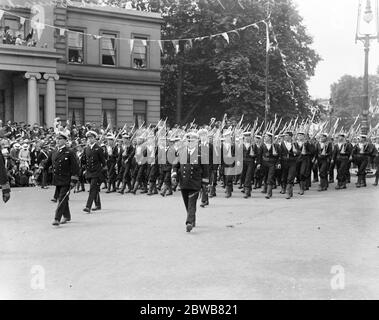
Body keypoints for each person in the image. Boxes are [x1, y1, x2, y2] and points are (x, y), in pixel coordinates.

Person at [172, 132, 209, 233]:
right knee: (187, 204)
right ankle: (193, 219)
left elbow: (205, 170)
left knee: (192, 203)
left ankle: (189, 222)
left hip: (195, 183)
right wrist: (174, 175)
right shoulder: (181, 152)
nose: (190, 142)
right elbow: (175, 165)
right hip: (184, 182)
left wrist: (205, 184)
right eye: (188, 141)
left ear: (197, 142)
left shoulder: (202, 154)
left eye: (192, 141)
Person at [42, 132, 79, 226]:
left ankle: (57, 218)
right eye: (57, 139)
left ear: (65, 141)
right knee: (63, 198)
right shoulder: (53, 152)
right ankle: (67, 216)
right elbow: (48, 163)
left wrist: (74, 180)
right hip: (57, 179)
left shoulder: (69, 152)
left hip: (66, 179)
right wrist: (42, 168)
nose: (58, 141)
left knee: (62, 198)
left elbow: (75, 167)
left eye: (60, 139)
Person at [83, 131, 107, 213]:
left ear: (95, 139)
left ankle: (88, 206)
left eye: (91, 138)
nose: (90, 139)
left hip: (96, 172)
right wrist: (84, 169)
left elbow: (103, 162)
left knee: (92, 189)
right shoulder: (86, 148)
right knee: (95, 189)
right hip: (89, 172)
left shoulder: (98, 148)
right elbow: (84, 160)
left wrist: (103, 172)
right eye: (88, 138)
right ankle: (98, 205)